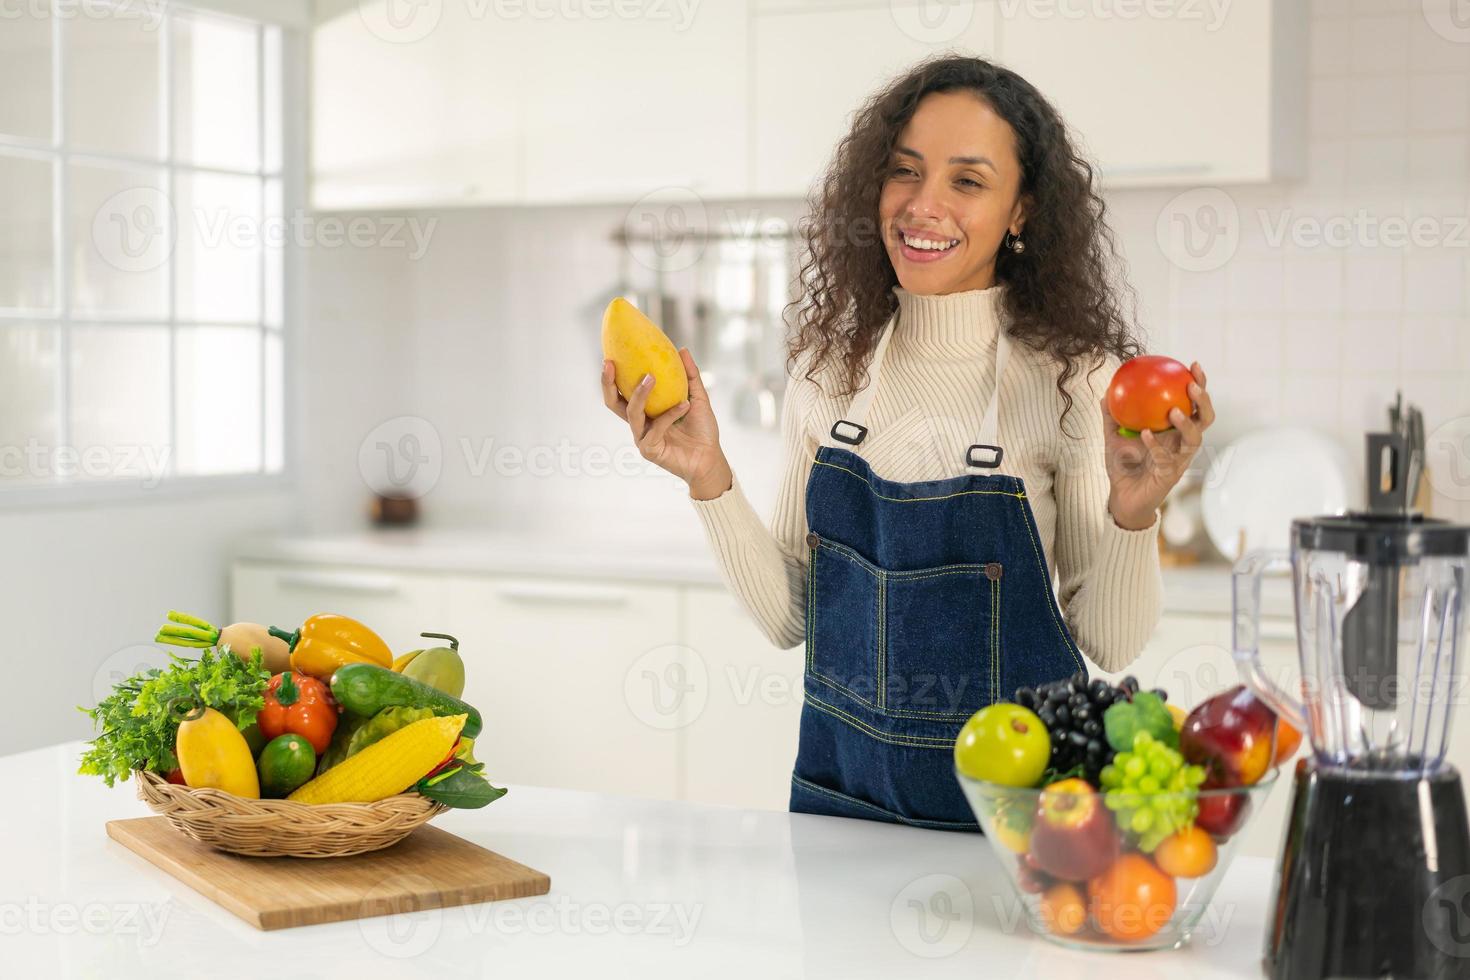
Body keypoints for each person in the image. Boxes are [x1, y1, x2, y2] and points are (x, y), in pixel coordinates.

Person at [600, 56, 1213, 828]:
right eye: (905, 171)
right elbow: (793, 617)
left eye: (967, 180)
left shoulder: (1072, 380)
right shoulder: (830, 373)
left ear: (1022, 210)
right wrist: (708, 476)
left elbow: (1114, 645)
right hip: (844, 813)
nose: (924, 207)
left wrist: (1134, 513)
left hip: (1019, 829)